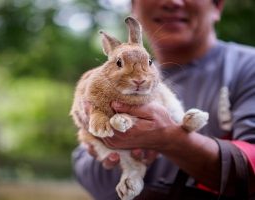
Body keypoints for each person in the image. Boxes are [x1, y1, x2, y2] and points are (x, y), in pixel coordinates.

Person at [72, 0, 255, 199]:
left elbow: (249, 170)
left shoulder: (247, 67)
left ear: (217, 6)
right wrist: (107, 142)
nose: (172, 2)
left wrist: (172, 140)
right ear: (133, 7)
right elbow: (89, 175)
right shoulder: (106, 83)